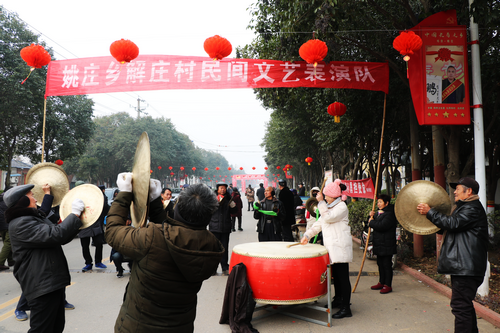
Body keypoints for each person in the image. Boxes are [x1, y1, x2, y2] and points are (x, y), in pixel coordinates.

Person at [105, 174, 224, 333]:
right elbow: (173, 231)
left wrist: (125, 193)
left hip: (138, 327)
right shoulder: (211, 245)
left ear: (178, 208)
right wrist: (154, 200)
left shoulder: (152, 238)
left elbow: (113, 232)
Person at [5, 184, 84, 333]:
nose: (35, 199)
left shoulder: (32, 218)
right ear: (22, 201)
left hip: (50, 282)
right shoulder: (22, 223)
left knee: (56, 326)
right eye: (31, 196)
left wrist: (76, 218)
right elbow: (55, 234)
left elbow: (59, 236)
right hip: (42, 285)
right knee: (42, 329)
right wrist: (74, 214)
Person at [417, 177, 488, 332]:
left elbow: (452, 224)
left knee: (460, 307)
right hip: (465, 267)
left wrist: (430, 212)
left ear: (468, 191)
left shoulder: (472, 208)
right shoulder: (465, 207)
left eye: (458, 188)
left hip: (466, 268)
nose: (454, 192)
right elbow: (451, 226)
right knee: (464, 306)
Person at [300, 179, 353, 319]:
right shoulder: (328, 207)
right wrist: (307, 235)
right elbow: (319, 223)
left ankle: (346, 308)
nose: (325, 197)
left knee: (343, 278)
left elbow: (328, 218)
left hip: (340, 247)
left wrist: (321, 203)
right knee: (335, 277)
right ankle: (338, 299)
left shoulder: (341, 207)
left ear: (333, 196)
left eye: (326, 195)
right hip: (331, 248)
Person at [368, 194, 397, 294]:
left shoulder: (390, 214)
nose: (378, 204)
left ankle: (388, 285)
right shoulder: (379, 212)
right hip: (379, 242)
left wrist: (371, 222)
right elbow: (374, 221)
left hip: (387, 243)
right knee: (380, 263)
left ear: (387, 203)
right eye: (378, 202)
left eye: (380, 202)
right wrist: (371, 216)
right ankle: (381, 282)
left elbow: (381, 226)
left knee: (386, 264)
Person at [78, 184, 109, 272]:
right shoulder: (78, 199)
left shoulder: (96, 198)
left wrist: (102, 195)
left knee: (99, 243)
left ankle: (98, 262)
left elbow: (105, 209)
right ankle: (88, 263)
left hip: (95, 224)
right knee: (85, 246)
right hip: (83, 225)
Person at [209, 181, 237, 276]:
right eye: (221, 188)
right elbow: (208, 210)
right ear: (217, 189)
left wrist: (232, 203)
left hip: (225, 228)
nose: (223, 189)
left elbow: (234, 211)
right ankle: (213, 269)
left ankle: (225, 268)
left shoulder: (229, 198)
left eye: (224, 188)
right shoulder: (212, 198)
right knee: (214, 249)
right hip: (214, 227)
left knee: (224, 248)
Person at [0, 188, 13, 270]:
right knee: (8, 243)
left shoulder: (1, 200)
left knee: (6, 242)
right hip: (7, 224)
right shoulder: (9, 199)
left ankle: (11, 260)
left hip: (1, 225)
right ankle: (0, 262)